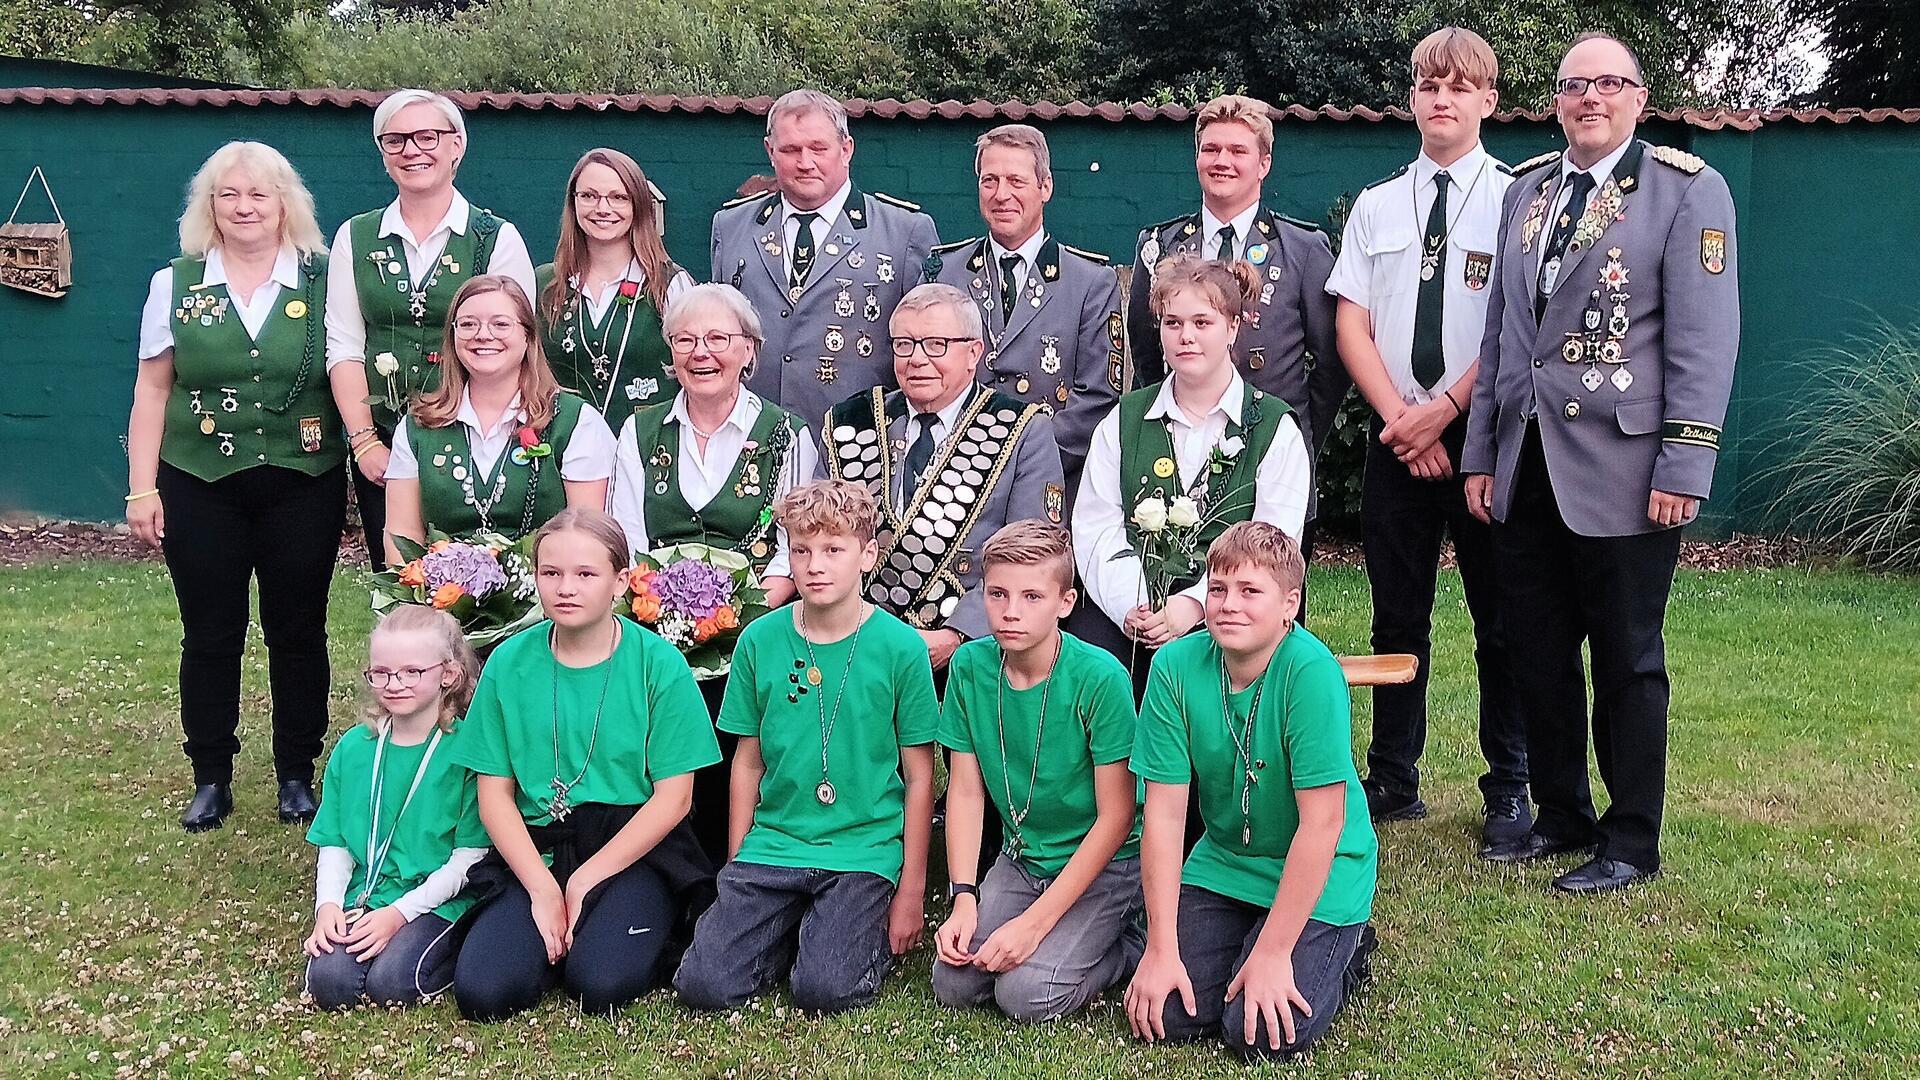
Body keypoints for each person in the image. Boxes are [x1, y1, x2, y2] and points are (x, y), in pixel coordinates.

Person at [1462, 32, 1739, 893]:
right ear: (1555, 100)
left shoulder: (1685, 191)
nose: (1591, 97)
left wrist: (1684, 467)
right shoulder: (1529, 193)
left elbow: (1703, 340)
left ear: (1637, 97)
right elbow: (1506, 336)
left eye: (1609, 83)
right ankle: (1562, 814)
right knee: (1534, 649)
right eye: (1574, 85)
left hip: (1626, 470)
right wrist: (1482, 451)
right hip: (1529, 462)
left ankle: (1629, 841)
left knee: (1626, 656)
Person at [1324, 27, 1529, 848]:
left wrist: (1445, 411)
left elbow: (1515, 322)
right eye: (1426, 84)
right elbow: (1352, 323)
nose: (1440, 99)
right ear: (1411, 98)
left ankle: (1509, 785)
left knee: (1500, 619)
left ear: (1488, 101)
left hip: (1480, 438)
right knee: (1395, 619)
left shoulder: (1519, 198)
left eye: (1458, 86)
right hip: (1396, 436)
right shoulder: (1377, 203)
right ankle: (1393, 777)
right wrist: (1403, 420)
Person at [127, 141, 352, 832]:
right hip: (200, 482)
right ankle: (211, 778)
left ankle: (296, 775)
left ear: (286, 203)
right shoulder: (177, 282)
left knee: (298, 632)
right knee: (211, 634)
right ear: (211, 206)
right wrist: (142, 489)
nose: (245, 206)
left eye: (260, 193)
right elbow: (152, 387)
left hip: (302, 481)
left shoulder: (325, 277)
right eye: (230, 195)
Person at [674, 481, 937, 1014]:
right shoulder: (758, 640)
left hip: (862, 850)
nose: (815, 565)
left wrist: (911, 891)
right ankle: (789, 928)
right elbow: (746, 763)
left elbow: (920, 778)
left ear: (867, 555)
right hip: (775, 843)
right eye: (801, 550)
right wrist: (735, 862)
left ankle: (822, 934)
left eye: (833, 550)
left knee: (825, 989)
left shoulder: (902, 648)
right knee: (705, 986)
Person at [450, 509, 720, 1020]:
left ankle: (610, 927)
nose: (565, 588)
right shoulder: (509, 662)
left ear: (621, 582)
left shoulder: (659, 664)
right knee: (484, 993)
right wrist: (541, 887)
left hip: (632, 845)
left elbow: (674, 798)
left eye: (585, 574)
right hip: (541, 844)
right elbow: (494, 793)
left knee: (599, 984)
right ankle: (543, 938)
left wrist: (584, 881)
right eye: (551, 573)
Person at [1124, 522, 1378, 1059]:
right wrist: (1162, 946)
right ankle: (1244, 943)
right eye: (1217, 589)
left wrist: (1274, 952)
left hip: (1322, 865)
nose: (1228, 605)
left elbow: (1323, 824)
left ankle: (1345, 948)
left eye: (1250, 591)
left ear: (1290, 604)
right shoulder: (1173, 668)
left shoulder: (1311, 673)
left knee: (1258, 1034)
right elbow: (1165, 817)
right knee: (1168, 1015)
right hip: (1225, 862)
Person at [608, 282, 819, 862]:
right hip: (656, 628)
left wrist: (742, 618)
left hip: (755, 625)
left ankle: (739, 865)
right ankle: (661, 868)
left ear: (749, 351)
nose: (702, 353)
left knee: (739, 741)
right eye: (686, 340)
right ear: (670, 354)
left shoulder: (787, 434)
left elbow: (793, 548)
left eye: (719, 339)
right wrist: (662, 616)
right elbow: (624, 538)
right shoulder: (639, 431)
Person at [931, 521, 1144, 1023]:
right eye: (998, 593)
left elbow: (1117, 817)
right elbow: (964, 792)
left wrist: (1033, 925)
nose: (1011, 612)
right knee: (955, 980)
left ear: (1065, 603)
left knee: (1026, 994)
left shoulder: (1101, 677)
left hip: (1107, 865)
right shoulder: (968, 667)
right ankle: (1052, 931)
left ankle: (1127, 944)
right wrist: (964, 898)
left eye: (1032, 596)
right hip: (1024, 857)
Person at [324, 88, 538, 569]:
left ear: (457, 146)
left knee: (498, 585)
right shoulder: (354, 237)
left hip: (482, 441)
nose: (412, 150)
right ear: (383, 154)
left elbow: (520, 342)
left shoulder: (495, 237)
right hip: (381, 443)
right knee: (403, 583)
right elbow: (343, 345)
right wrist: (364, 444)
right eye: (395, 140)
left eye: (427, 137)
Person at [1073, 255, 1310, 688]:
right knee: (1087, 661)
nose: (1186, 337)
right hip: (1131, 614)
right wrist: (1136, 605)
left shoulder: (1275, 427)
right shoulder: (1123, 420)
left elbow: (1275, 543)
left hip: (1232, 610)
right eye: (1172, 323)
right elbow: (1095, 524)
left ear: (1233, 327)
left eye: (1203, 323)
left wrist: (1195, 604)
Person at [823, 283, 1065, 670]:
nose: (917, 359)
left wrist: (957, 635)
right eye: (904, 344)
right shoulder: (851, 423)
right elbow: (823, 536)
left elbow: (1033, 556)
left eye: (936, 344)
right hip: (853, 645)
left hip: (972, 654)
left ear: (973, 354)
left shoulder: (1022, 430)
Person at [710, 88, 939, 439]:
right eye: (790, 150)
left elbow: (926, 351)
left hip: (860, 444)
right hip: (748, 442)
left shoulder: (904, 232)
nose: (805, 162)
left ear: (846, 149)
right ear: (770, 151)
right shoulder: (732, 226)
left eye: (818, 148)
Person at [1127, 95, 1345, 459]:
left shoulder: (1303, 250)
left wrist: (1299, 439)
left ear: (1264, 164)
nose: (1222, 161)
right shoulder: (1159, 246)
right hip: (1178, 450)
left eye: (1237, 151)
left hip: (1270, 451)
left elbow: (1332, 365)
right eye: (1210, 149)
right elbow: (1146, 356)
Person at [303, 606, 487, 1010]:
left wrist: (399, 914)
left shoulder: (468, 753)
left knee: (392, 983)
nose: (394, 684)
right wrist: (329, 905)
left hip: (440, 899)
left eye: (411, 672)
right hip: (368, 896)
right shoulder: (353, 748)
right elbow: (335, 841)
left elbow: (468, 860)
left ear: (449, 675)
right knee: (330, 983)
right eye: (381, 673)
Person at [928, 124, 1124, 492]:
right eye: (990, 181)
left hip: (1048, 482)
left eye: (1016, 181)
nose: (1002, 195)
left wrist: (1018, 459)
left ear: (1045, 187)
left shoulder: (1090, 282)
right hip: (949, 486)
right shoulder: (944, 273)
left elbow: (1098, 401)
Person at [382, 276, 615, 562]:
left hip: (549, 598)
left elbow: (589, 538)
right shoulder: (418, 426)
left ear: (528, 336)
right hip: (441, 599)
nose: (482, 335)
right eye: (468, 324)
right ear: (452, 335)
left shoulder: (576, 422)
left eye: (501, 324)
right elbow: (402, 535)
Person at [535, 148, 694, 416]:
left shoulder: (671, 285)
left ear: (638, 206)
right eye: (589, 196)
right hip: (564, 446)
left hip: (648, 447)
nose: (602, 208)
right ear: (573, 203)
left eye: (618, 198)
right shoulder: (543, 284)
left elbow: (697, 372)